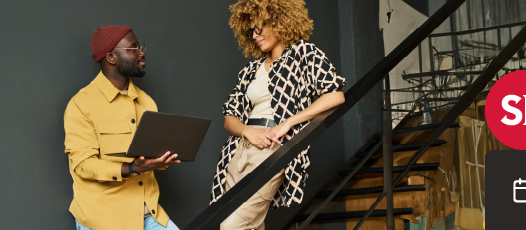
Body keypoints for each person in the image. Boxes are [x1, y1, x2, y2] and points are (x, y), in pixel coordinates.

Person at [209, 0, 347, 229]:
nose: (254, 35)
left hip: (273, 148)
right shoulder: (249, 71)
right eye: (250, 30)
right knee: (247, 223)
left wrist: (288, 123)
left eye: (259, 27)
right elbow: (229, 118)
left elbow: (335, 95)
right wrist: (248, 132)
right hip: (239, 150)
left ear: (278, 21)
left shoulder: (303, 54)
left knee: (233, 225)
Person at [65, 25, 181, 230]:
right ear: (111, 57)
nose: (142, 52)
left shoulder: (147, 102)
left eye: (140, 47)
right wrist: (131, 168)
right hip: (104, 220)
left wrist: (164, 158)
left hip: (149, 216)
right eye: (134, 48)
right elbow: (83, 165)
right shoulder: (80, 105)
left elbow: (151, 157)